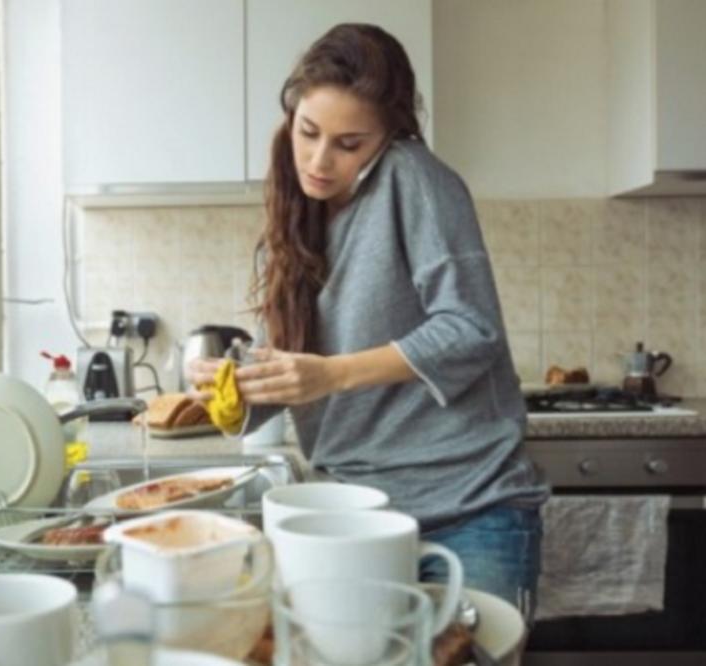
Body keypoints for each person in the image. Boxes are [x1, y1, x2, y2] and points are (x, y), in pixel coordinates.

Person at [186, 23, 549, 617]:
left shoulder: (414, 178)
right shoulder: (292, 222)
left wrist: (331, 374)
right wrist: (234, 388)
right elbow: (295, 368)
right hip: (352, 516)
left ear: (388, 137)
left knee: (465, 655)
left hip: (469, 511)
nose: (319, 160)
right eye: (308, 132)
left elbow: (470, 328)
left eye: (349, 144)